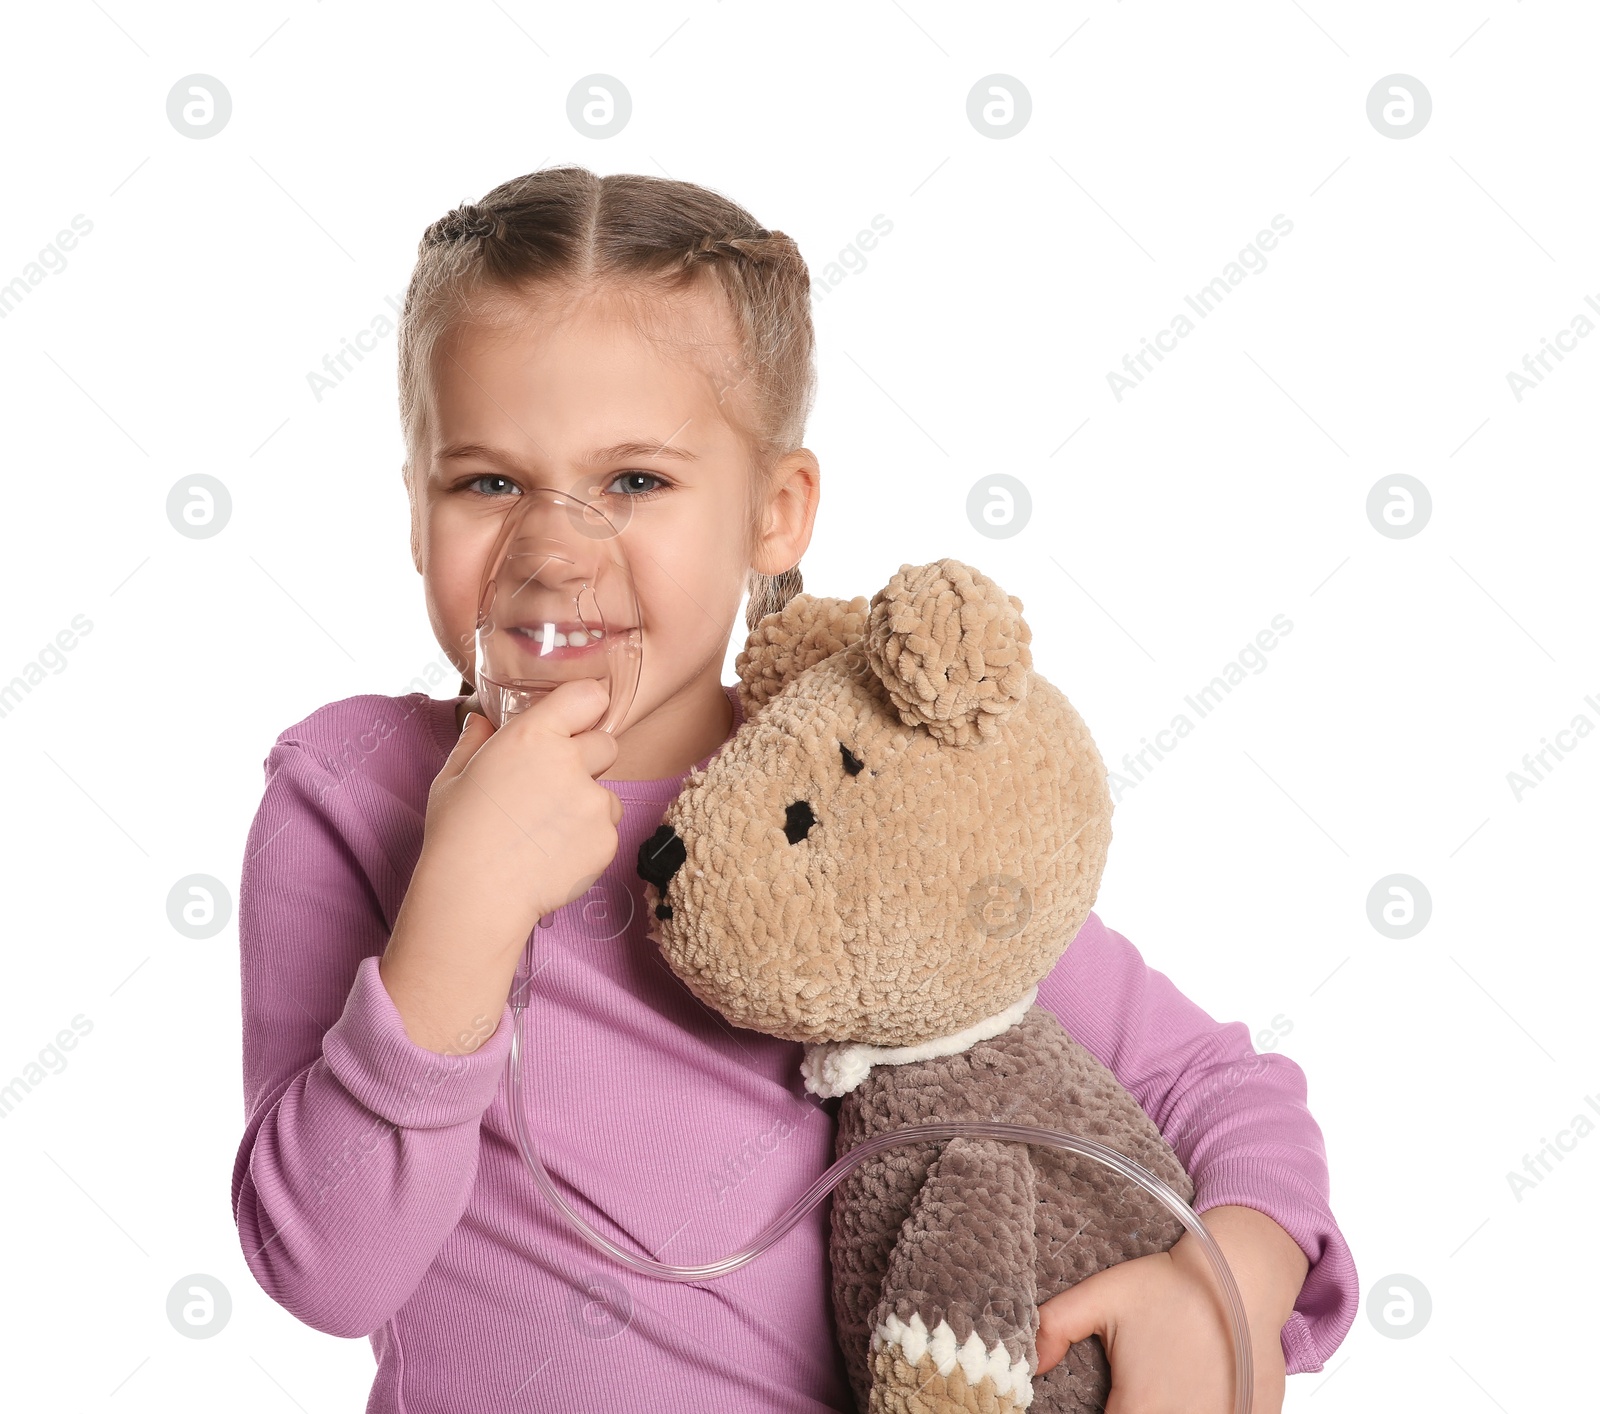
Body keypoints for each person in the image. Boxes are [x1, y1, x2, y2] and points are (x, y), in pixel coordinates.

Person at [232, 165, 1357, 1412]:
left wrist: (1223, 1282)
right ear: (413, 505)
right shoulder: (351, 792)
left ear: (775, 512)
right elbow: (323, 1272)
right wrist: (455, 916)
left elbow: (1220, 1091)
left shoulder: (863, 795)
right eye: (487, 482)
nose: (554, 551)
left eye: (635, 483)